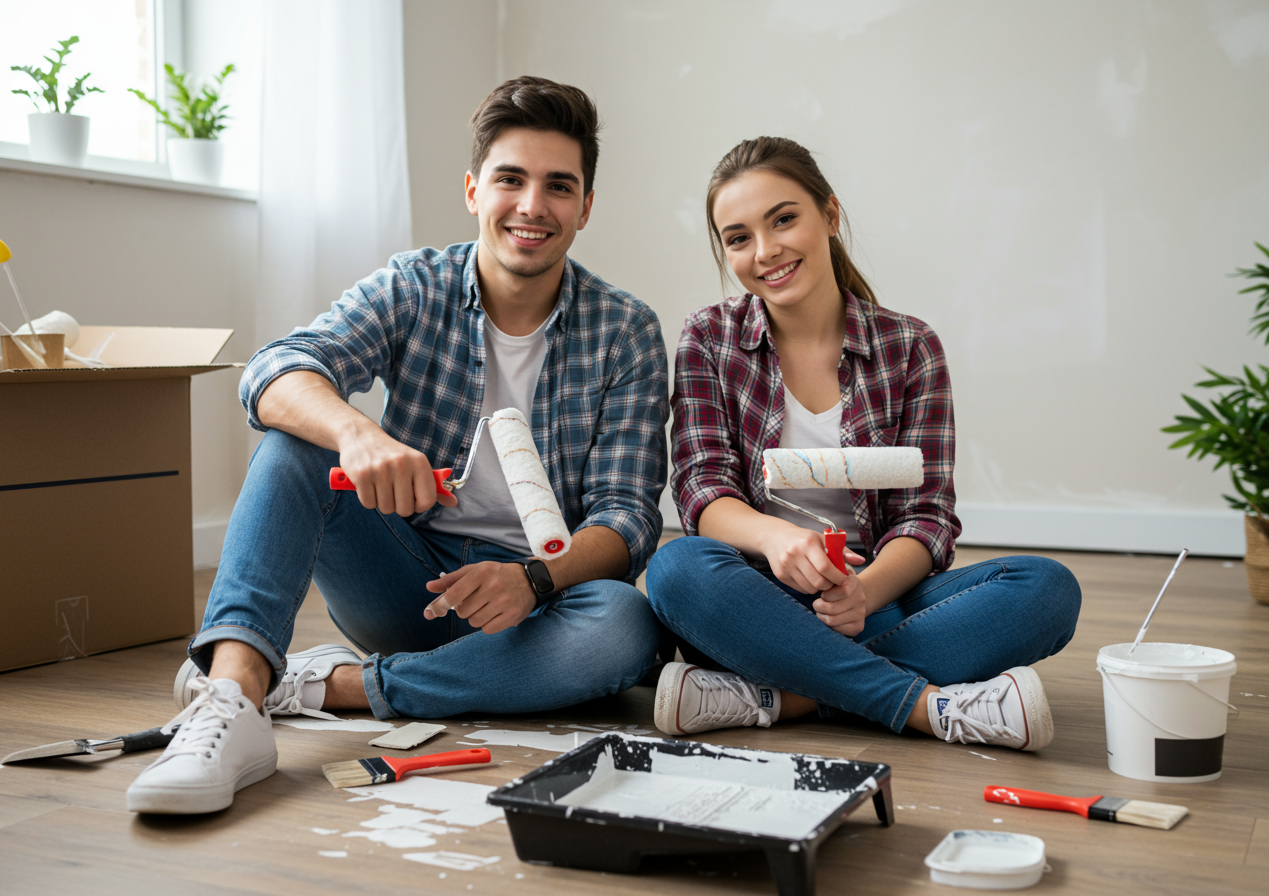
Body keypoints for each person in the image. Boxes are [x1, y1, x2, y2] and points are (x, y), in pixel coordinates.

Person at [127, 77, 669, 814]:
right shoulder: (416, 285)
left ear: (585, 208)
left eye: (559, 187)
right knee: (294, 449)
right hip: (404, 582)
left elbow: (627, 519)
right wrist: (358, 434)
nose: (533, 206)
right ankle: (232, 698)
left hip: (539, 606)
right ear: (475, 190)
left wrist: (532, 581)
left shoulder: (625, 330)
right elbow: (273, 372)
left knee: (624, 626)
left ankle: (336, 686)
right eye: (511, 180)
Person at [646, 136, 1080, 752]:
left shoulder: (911, 346)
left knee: (1047, 589)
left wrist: (864, 592)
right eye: (739, 238)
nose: (765, 252)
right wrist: (779, 542)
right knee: (674, 570)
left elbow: (926, 517)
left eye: (784, 219)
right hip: (754, 600)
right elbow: (701, 488)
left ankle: (783, 698)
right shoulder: (708, 338)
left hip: (875, 595)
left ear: (830, 215)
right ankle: (925, 706)